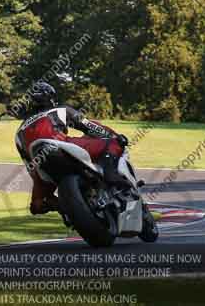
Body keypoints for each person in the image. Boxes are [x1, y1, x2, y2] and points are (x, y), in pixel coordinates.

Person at [14, 81, 131, 215]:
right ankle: (112, 176)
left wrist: (41, 190)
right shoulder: (59, 110)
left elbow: (30, 166)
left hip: (41, 166)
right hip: (61, 146)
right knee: (112, 143)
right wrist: (114, 135)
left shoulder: (18, 132)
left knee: (37, 206)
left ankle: (65, 209)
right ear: (51, 98)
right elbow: (88, 126)